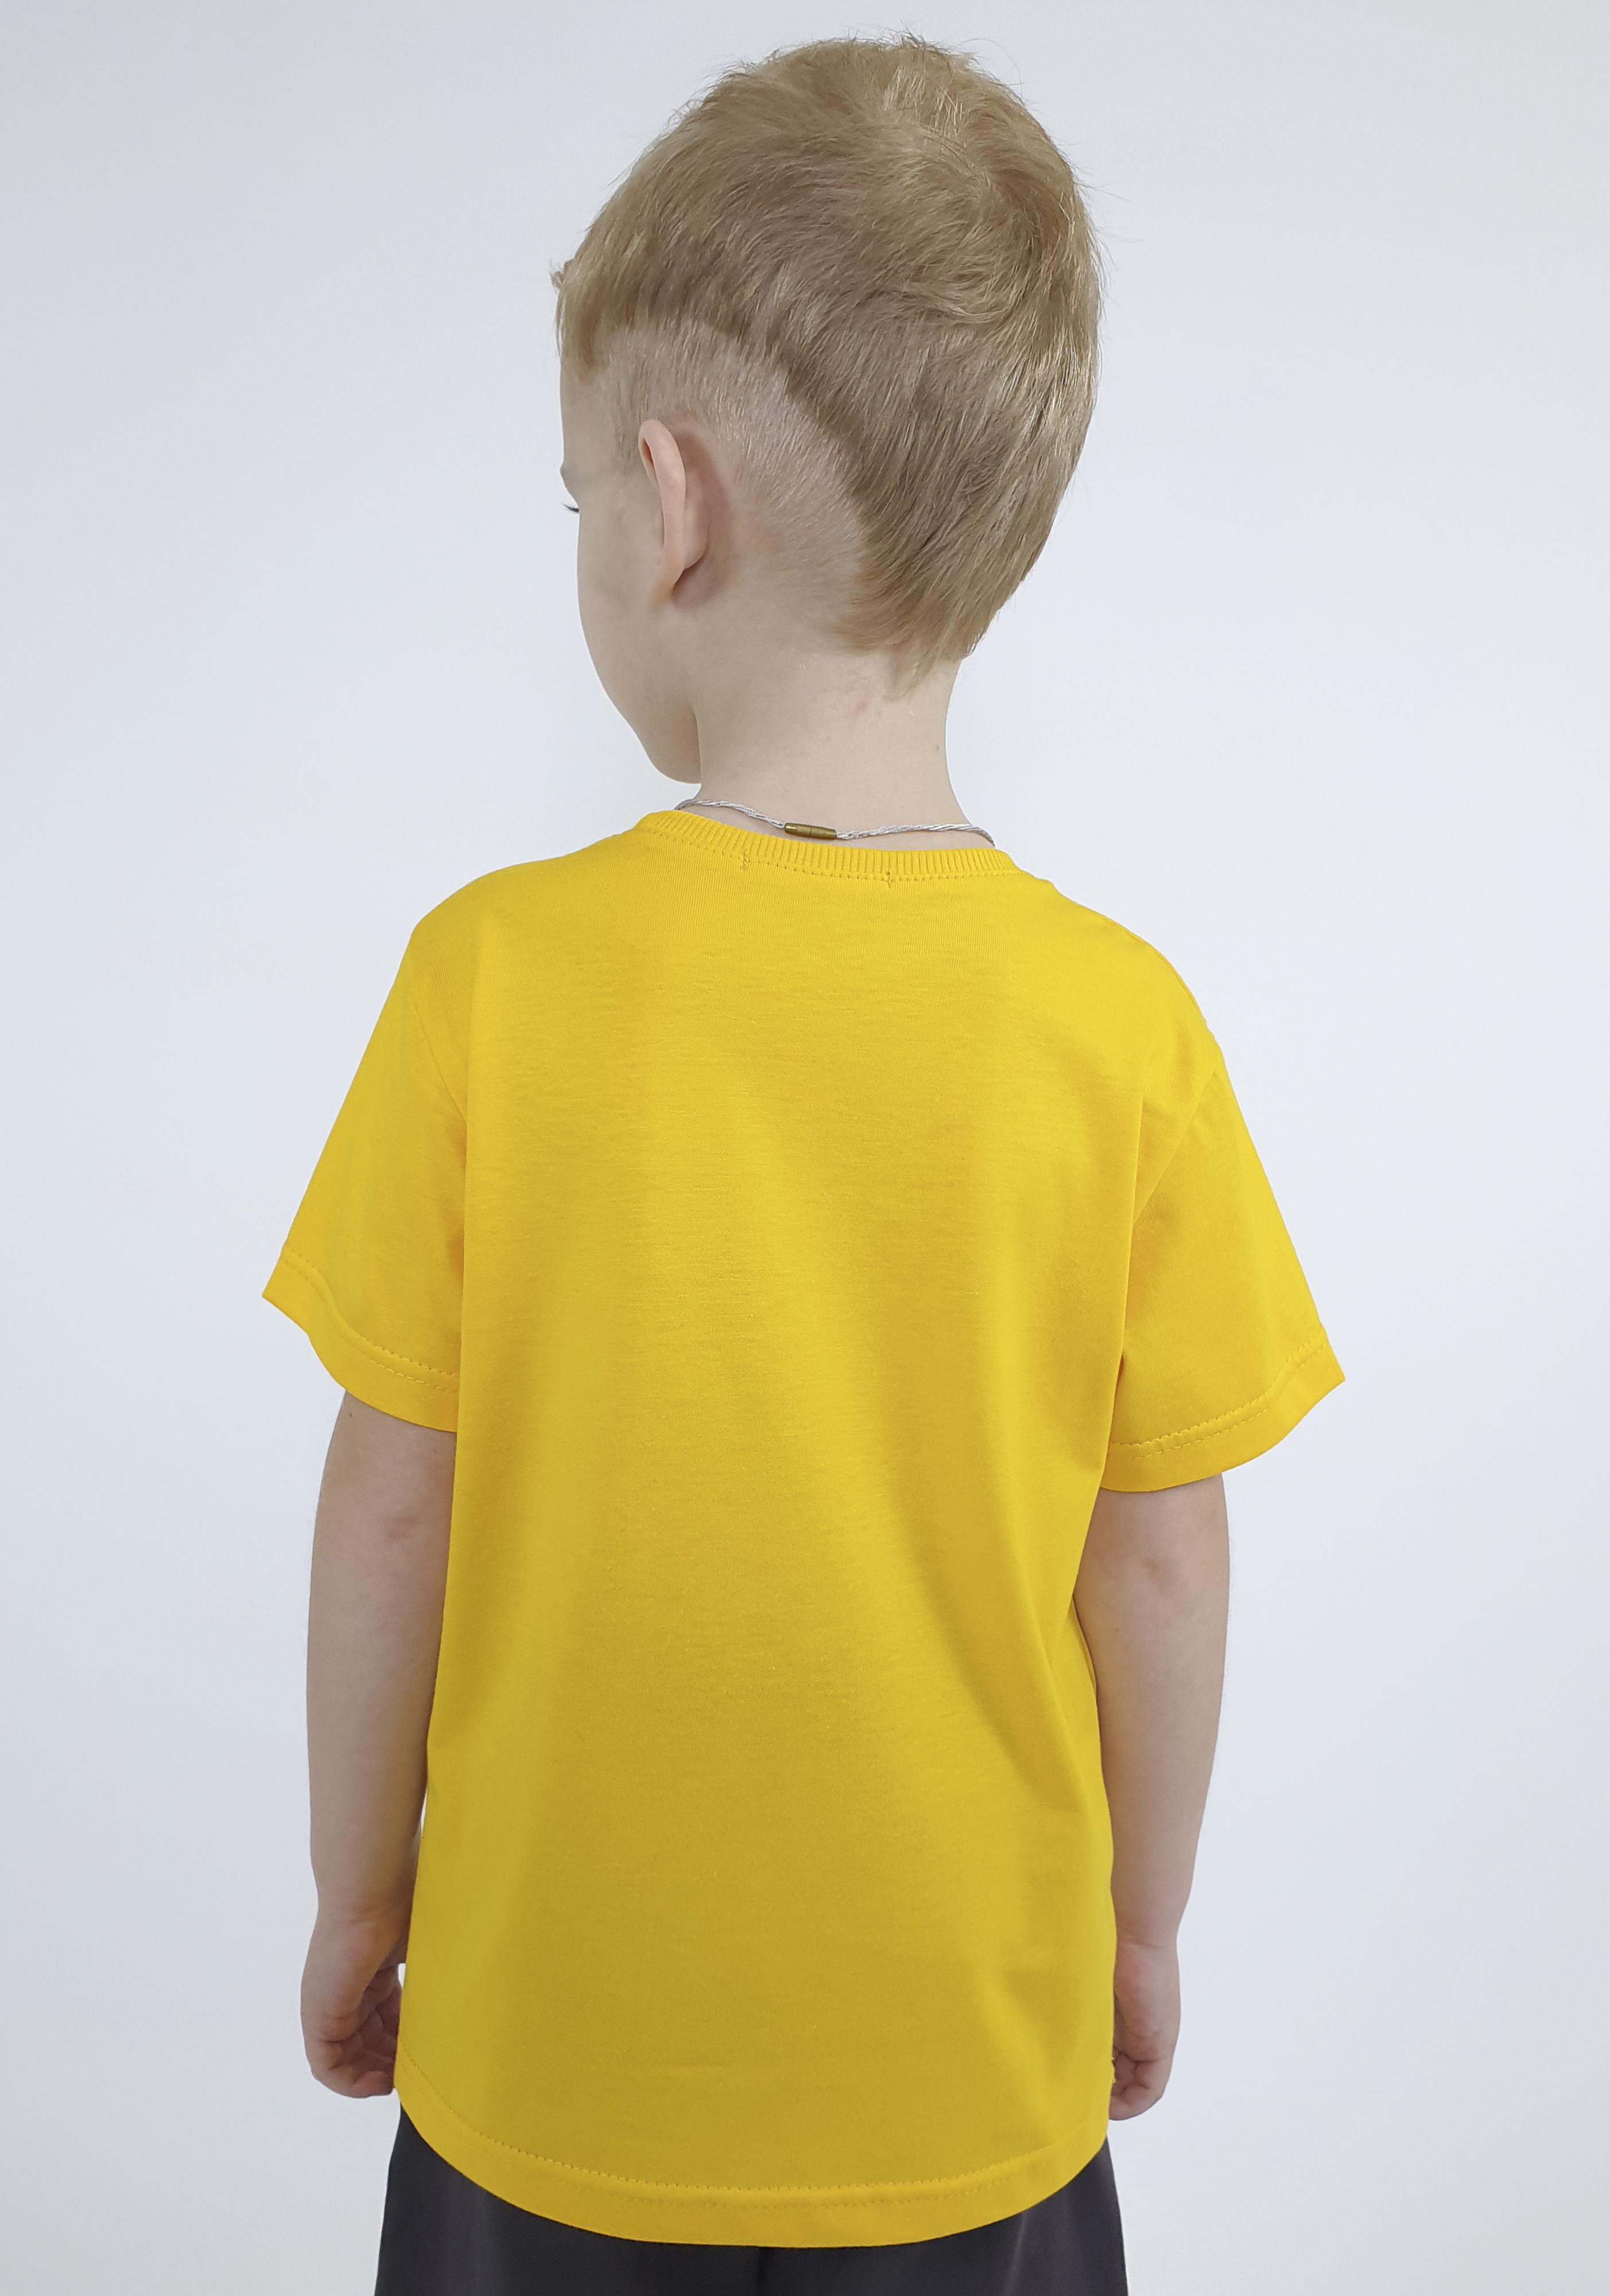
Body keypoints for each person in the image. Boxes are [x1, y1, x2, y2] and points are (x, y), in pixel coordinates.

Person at [262, 32, 1344, 2294]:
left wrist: (364, 1895)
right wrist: (1139, 1925)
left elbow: (390, 1506)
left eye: (573, 490)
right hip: (967, 2089)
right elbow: (1159, 1565)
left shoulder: (486, 980)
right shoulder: (1121, 1027)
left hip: (548, 2080)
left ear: (667, 506)